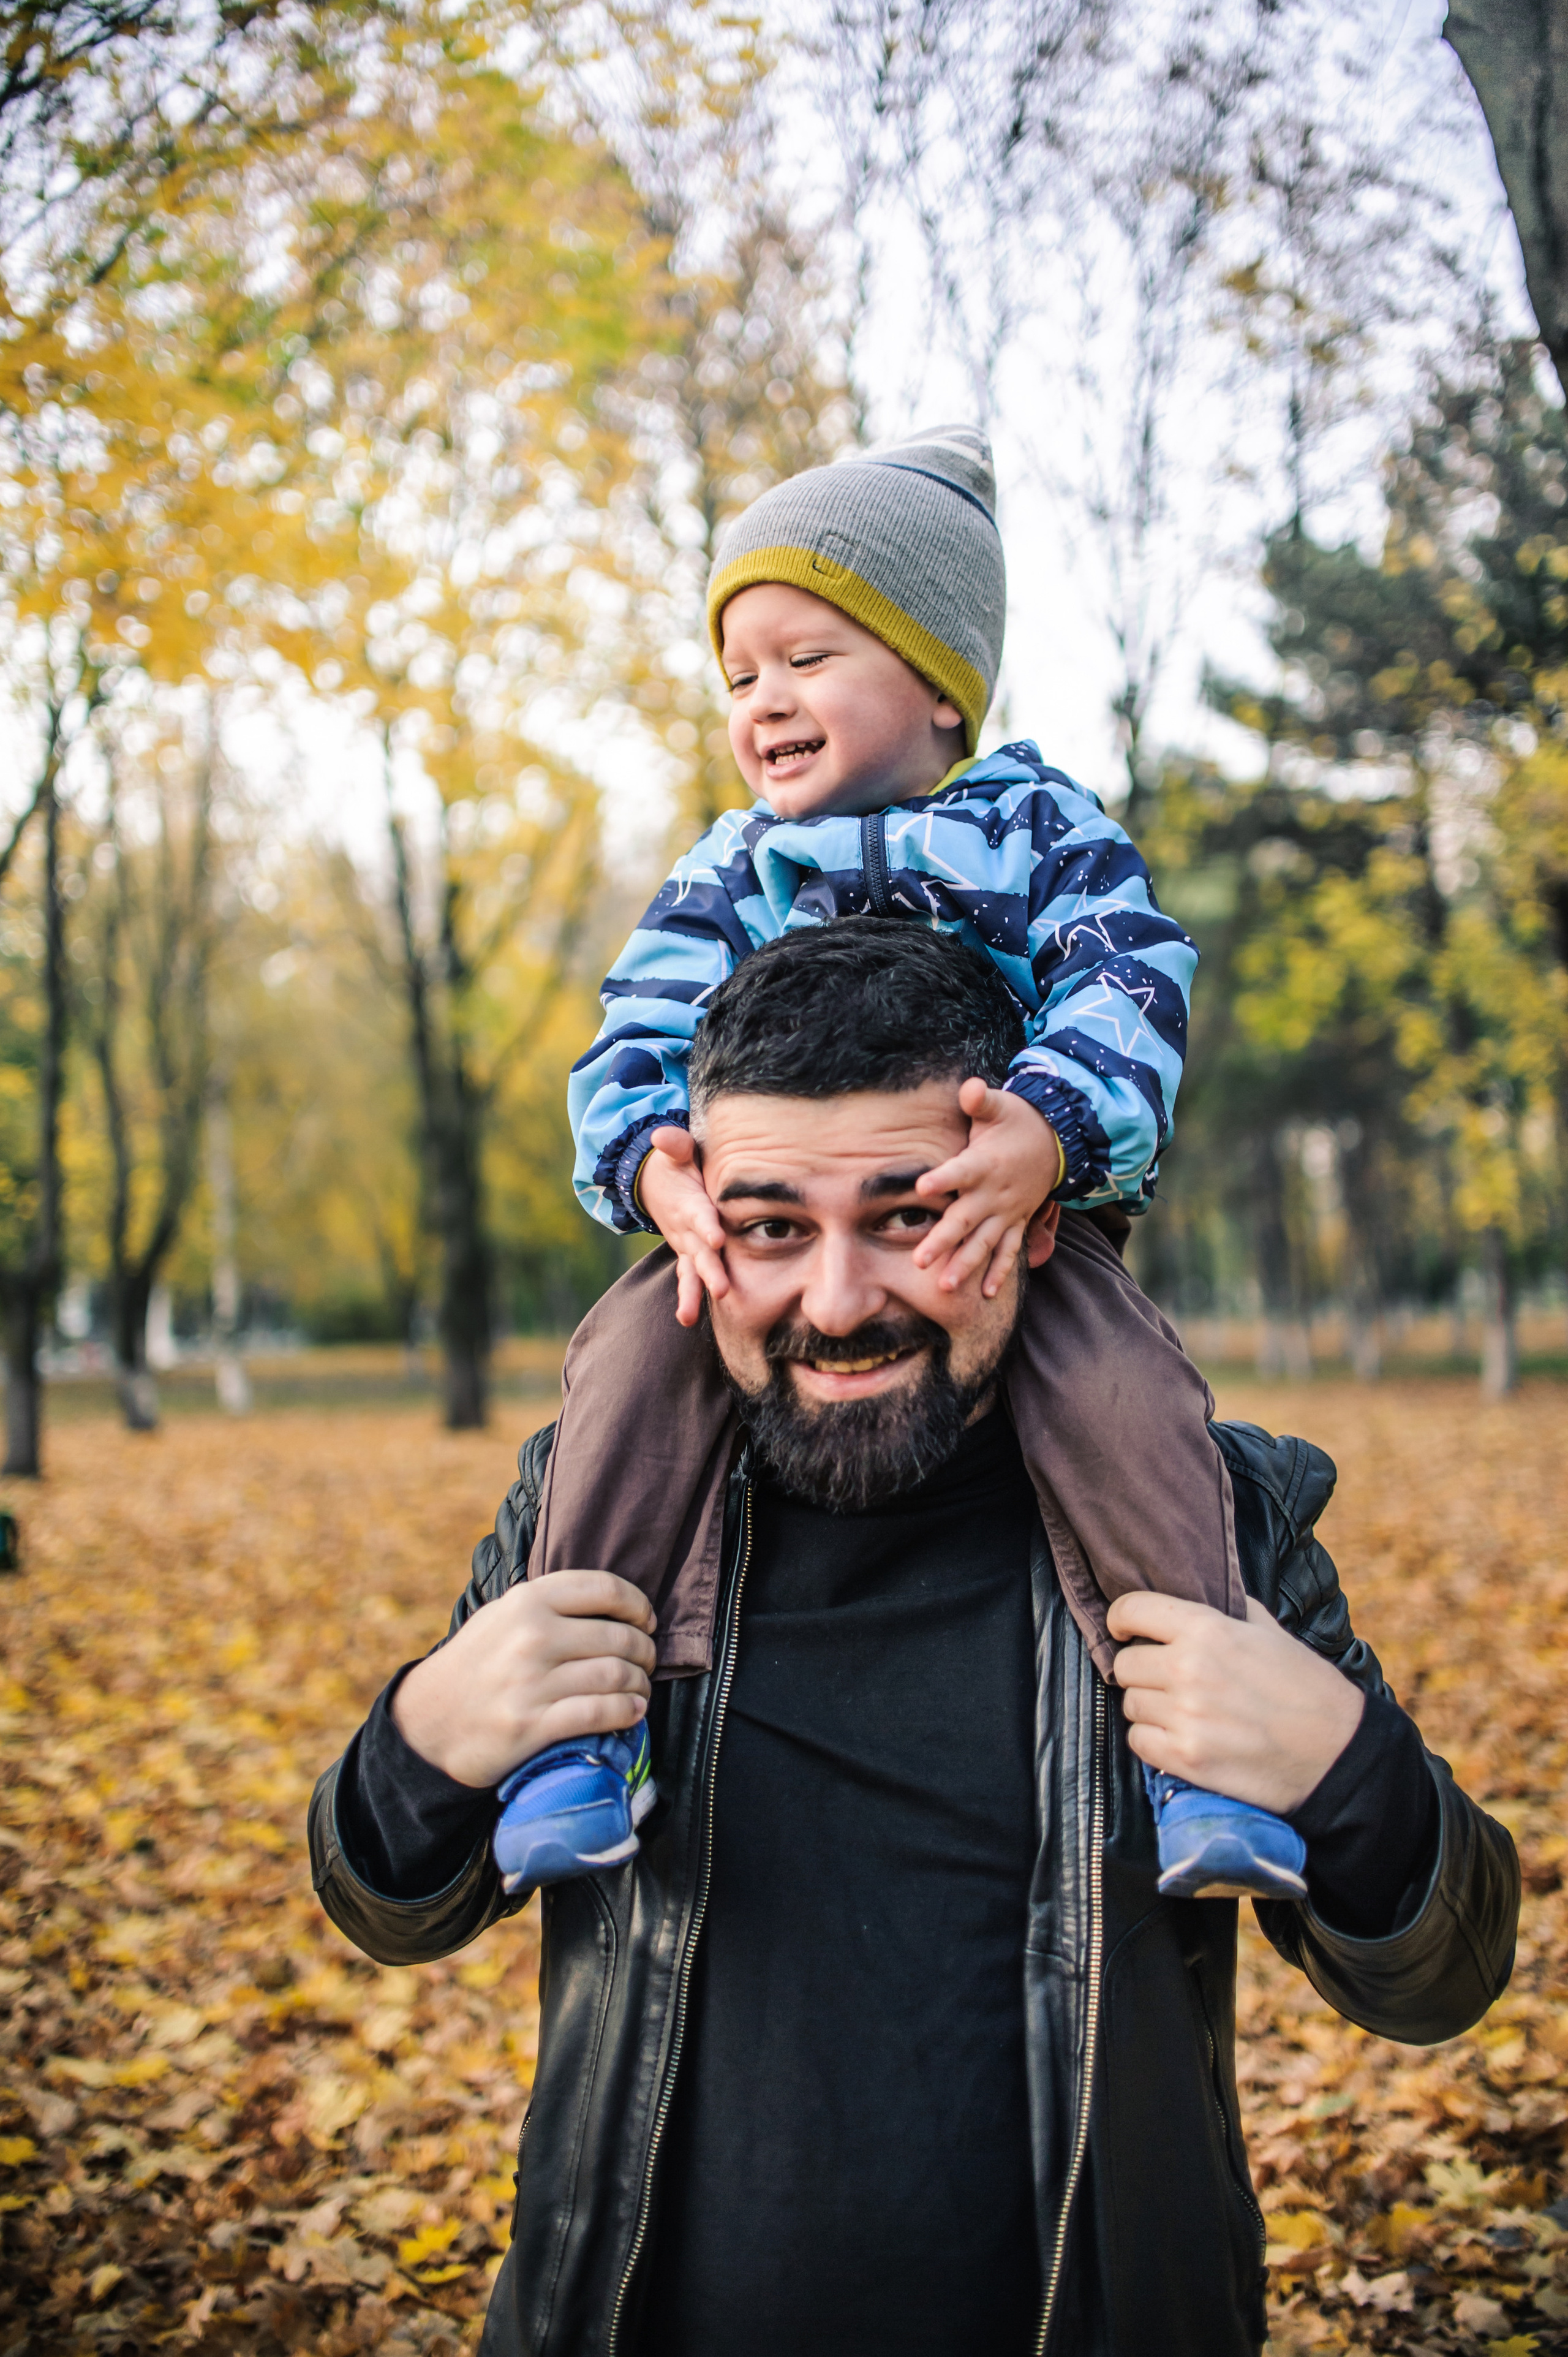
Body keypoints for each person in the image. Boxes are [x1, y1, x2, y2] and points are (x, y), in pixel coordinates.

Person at [309, 921, 1519, 2357]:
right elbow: (394, 1905)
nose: (835, 1301)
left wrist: (1340, 1769)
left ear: (1035, 1218)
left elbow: (1441, 1975)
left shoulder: (1203, 1528)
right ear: (697, 1225)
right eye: (768, 1227)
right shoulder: (601, 1514)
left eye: (909, 1218)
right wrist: (420, 1742)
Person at [497, 423, 1299, 1905]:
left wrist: (1050, 1128)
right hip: (742, 1243)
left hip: (1007, 1232)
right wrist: (646, 1173)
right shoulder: (731, 868)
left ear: (937, 682)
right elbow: (637, 1024)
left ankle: (1201, 1743)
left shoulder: (1033, 826)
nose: (763, 702)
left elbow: (1129, 971)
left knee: (1125, 1399)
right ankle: (576, 1732)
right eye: (739, 677)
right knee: (619, 1376)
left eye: (805, 659)